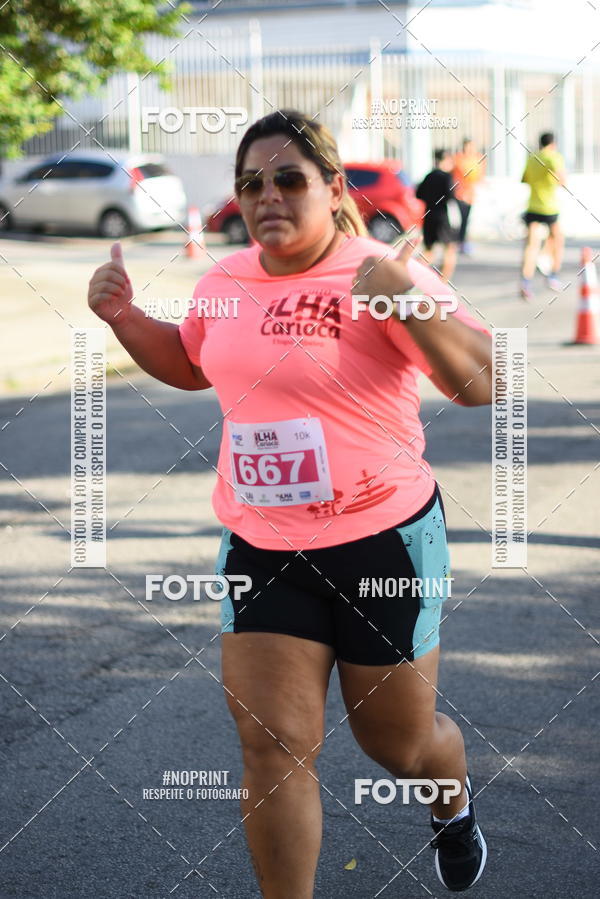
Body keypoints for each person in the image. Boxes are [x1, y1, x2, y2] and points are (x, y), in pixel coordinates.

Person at [88, 109, 492, 897]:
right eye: (250, 183)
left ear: (333, 187)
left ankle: (450, 800)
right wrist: (126, 318)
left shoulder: (383, 269)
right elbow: (192, 361)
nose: (266, 195)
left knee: (398, 746)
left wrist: (405, 300)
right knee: (273, 748)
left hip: (385, 542)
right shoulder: (225, 282)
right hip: (265, 548)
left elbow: (483, 384)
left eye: (287, 179)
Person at [520, 131, 566, 300]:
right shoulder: (554, 157)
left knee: (531, 246)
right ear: (553, 144)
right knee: (558, 240)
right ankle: (553, 276)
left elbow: (523, 179)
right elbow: (562, 180)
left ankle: (525, 282)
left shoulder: (532, 158)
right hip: (549, 207)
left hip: (532, 207)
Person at [416, 149, 461, 282]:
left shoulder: (428, 176)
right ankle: (443, 283)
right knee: (450, 249)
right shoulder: (447, 177)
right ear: (446, 160)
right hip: (444, 218)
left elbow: (419, 194)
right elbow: (451, 196)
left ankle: (411, 272)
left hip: (429, 216)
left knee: (429, 251)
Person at [452, 138, 485, 255]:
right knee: (462, 218)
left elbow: (479, 176)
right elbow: (455, 175)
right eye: (467, 146)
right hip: (460, 193)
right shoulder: (458, 159)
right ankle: (460, 241)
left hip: (471, 193)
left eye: (472, 146)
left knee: (467, 219)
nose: (469, 149)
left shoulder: (478, 158)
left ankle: (462, 241)